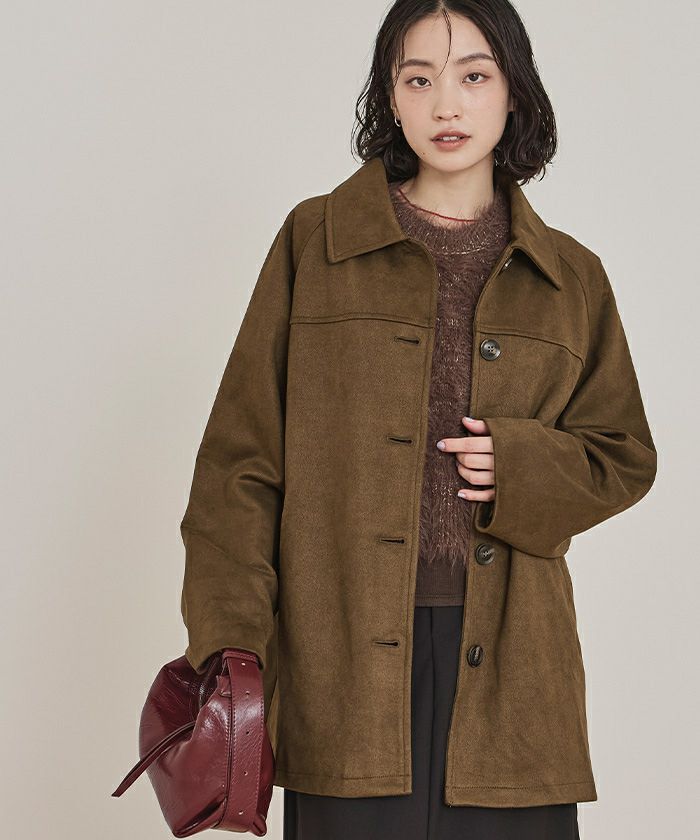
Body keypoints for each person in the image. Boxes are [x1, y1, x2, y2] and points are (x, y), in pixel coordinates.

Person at [179, 2, 657, 839]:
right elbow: (240, 466)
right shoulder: (315, 242)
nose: (446, 104)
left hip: (515, 679)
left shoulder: (571, 276)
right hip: (342, 671)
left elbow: (623, 455)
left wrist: (521, 465)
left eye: (474, 76)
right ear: (390, 98)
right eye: (418, 79)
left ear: (513, 92)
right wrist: (233, 647)